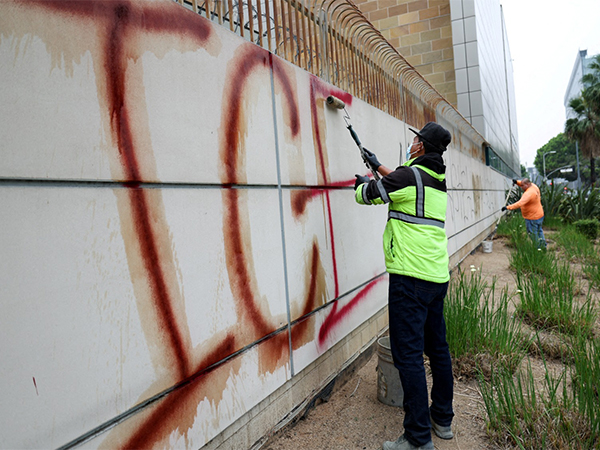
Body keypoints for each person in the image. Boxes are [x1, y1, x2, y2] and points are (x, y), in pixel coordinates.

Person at [354, 122, 454, 450]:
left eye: (415, 139)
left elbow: (370, 195)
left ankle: (417, 438)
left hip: (409, 279)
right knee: (437, 350)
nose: (411, 143)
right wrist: (378, 164)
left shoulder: (409, 177)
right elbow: (402, 182)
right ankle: (442, 419)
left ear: (421, 147)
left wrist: (363, 183)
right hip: (436, 278)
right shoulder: (436, 179)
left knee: (408, 356)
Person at [502, 178, 546, 249]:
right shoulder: (533, 186)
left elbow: (520, 203)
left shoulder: (529, 194)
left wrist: (507, 207)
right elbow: (523, 183)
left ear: (527, 184)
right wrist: (516, 182)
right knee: (539, 231)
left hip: (532, 218)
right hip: (539, 215)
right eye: (521, 185)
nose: (521, 187)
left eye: (522, 186)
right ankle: (543, 247)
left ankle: (537, 249)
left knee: (533, 234)